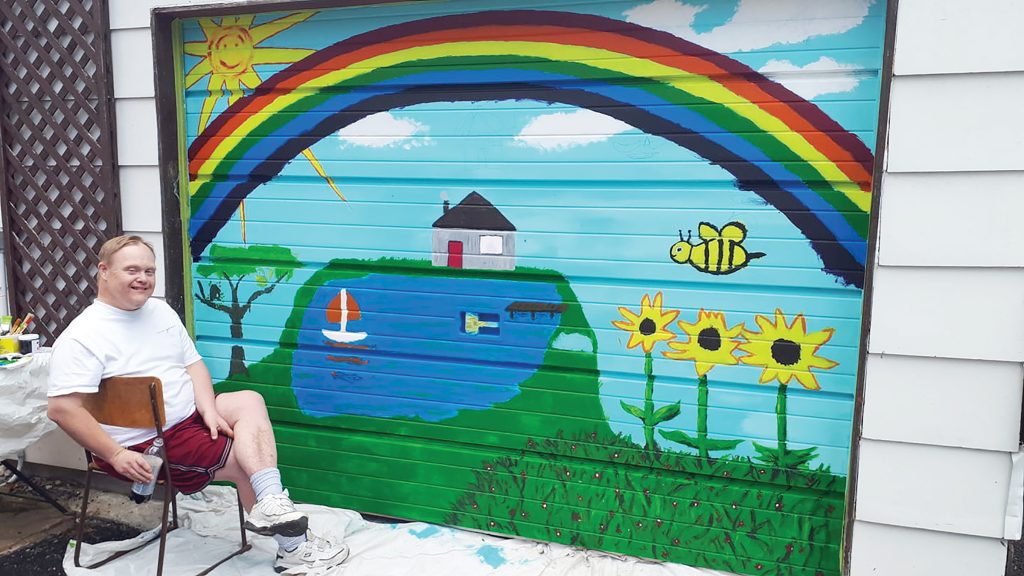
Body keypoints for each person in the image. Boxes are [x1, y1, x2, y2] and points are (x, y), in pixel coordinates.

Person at [47, 235, 348, 575]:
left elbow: (194, 365)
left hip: (186, 419)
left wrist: (207, 408)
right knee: (245, 458)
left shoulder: (158, 310)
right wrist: (116, 454)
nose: (143, 278)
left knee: (248, 399)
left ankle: (271, 503)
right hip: (144, 446)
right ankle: (293, 550)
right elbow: (62, 409)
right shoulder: (83, 336)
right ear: (104, 271)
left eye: (149, 270)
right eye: (131, 269)